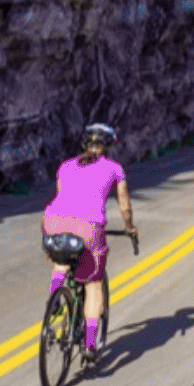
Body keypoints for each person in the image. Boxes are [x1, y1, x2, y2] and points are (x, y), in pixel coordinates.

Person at [42, 122, 136, 362]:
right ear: (109, 147)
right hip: (88, 227)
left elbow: (61, 198)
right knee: (93, 283)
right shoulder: (115, 169)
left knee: (60, 263)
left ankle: (56, 301)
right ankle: (90, 345)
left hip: (52, 222)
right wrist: (130, 228)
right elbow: (124, 206)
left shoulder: (65, 167)